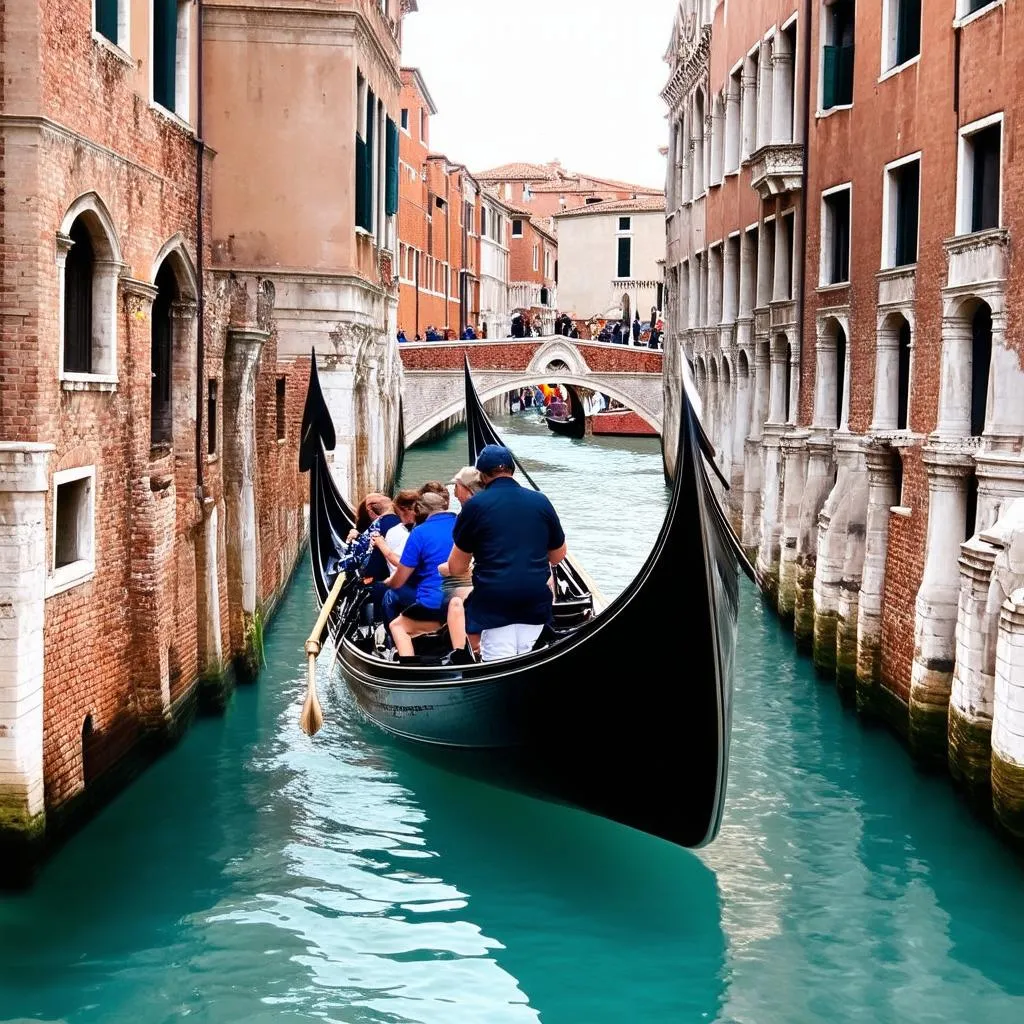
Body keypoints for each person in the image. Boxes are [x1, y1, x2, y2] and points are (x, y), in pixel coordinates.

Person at [447, 444, 567, 662]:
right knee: (527, 656)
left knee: (499, 660)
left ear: (481, 476)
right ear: (513, 470)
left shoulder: (475, 506)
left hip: (494, 602)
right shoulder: (540, 501)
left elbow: (456, 567)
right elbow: (558, 556)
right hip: (534, 599)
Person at [387, 491, 457, 658]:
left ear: (419, 510)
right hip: (464, 600)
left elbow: (400, 579)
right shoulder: (462, 524)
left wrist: (387, 582)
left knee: (397, 626)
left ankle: (408, 667)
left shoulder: (419, 532)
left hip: (434, 604)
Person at [438, 467, 484, 662]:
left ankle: (464, 653)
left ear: (467, 489)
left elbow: (456, 567)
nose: (455, 494)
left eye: (457, 488)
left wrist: (442, 568)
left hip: (479, 583)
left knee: (457, 602)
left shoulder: (471, 514)